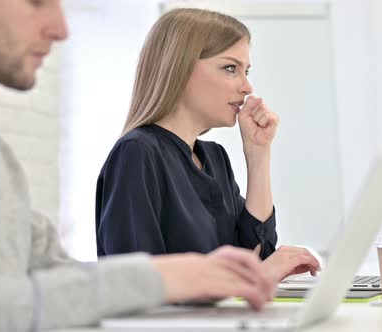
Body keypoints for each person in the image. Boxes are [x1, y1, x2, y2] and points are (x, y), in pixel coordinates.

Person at [0, 1, 276, 331]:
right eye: (35, 1)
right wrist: (172, 277)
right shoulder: (138, 151)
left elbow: (55, 273)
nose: (61, 29)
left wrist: (199, 276)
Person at [96, 8, 320, 283]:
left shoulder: (215, 158)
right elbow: (138, 285)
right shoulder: (137, 153)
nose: (247, 86)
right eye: (230, 68)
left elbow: (257, 259)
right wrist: (258, 274)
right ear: (180, 67)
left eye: (246, 71)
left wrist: (258, 154)